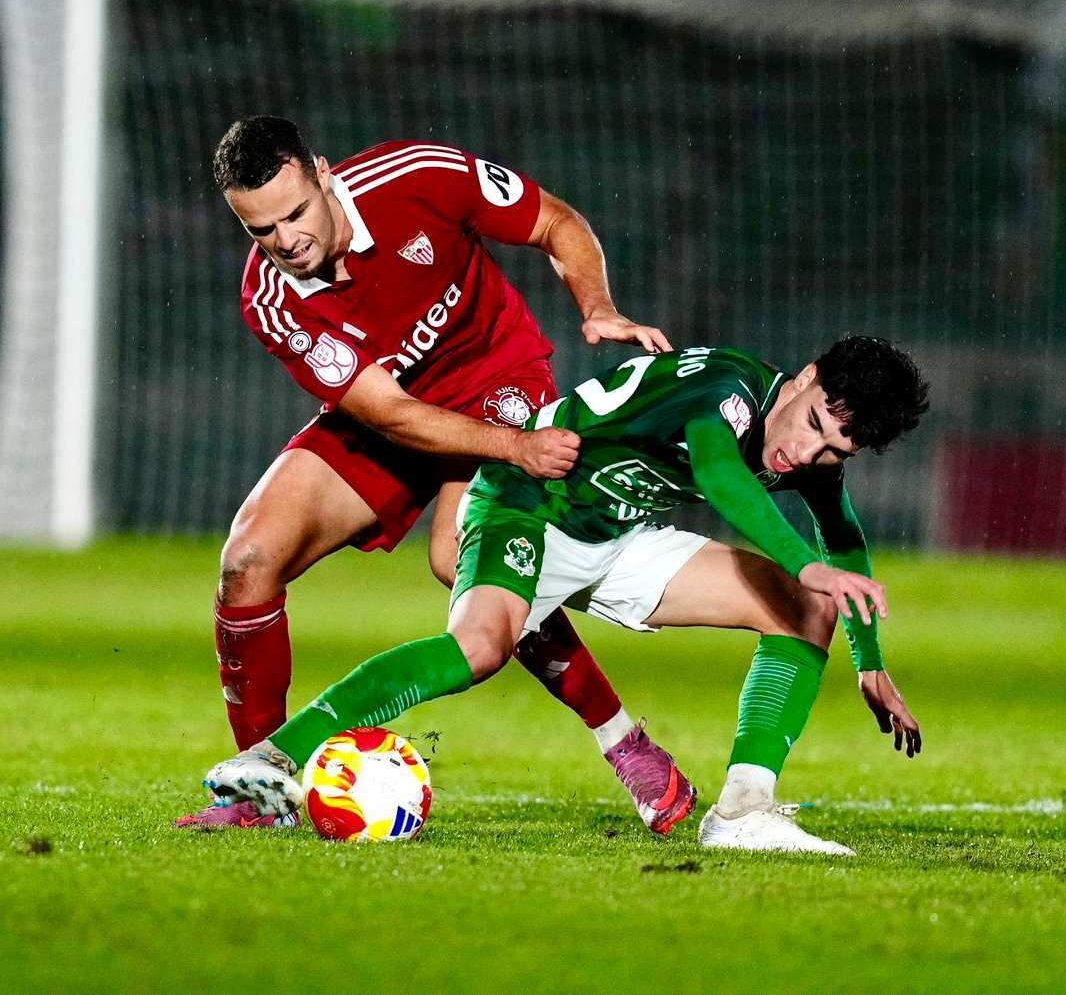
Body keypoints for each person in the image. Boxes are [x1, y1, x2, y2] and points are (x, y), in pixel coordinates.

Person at [191, 336, 929, 855]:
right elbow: (721, 475)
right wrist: (806, 565)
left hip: (617, 531)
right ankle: (275, 758)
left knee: (809, 614)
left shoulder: (809, 441)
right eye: (811, 429)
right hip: (528, 504)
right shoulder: (727, 391)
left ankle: (742, 809)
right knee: (478, 650)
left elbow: (845, 533)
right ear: (801, 379)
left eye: (834, 451)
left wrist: (868, 660)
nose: (806, 454)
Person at [178, 116, 695, 833]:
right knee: (248, 559)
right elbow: (388, 413)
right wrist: (513, 452)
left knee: (462, 562)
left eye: (295, 213)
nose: (286, 241)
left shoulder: (417, 177)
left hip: (497, 381)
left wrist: (597, 306)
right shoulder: (273, 297)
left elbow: (554, 221)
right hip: (391, 411)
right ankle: (258, 793)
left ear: (323, 173)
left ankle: (625, 743)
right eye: (260, 230)